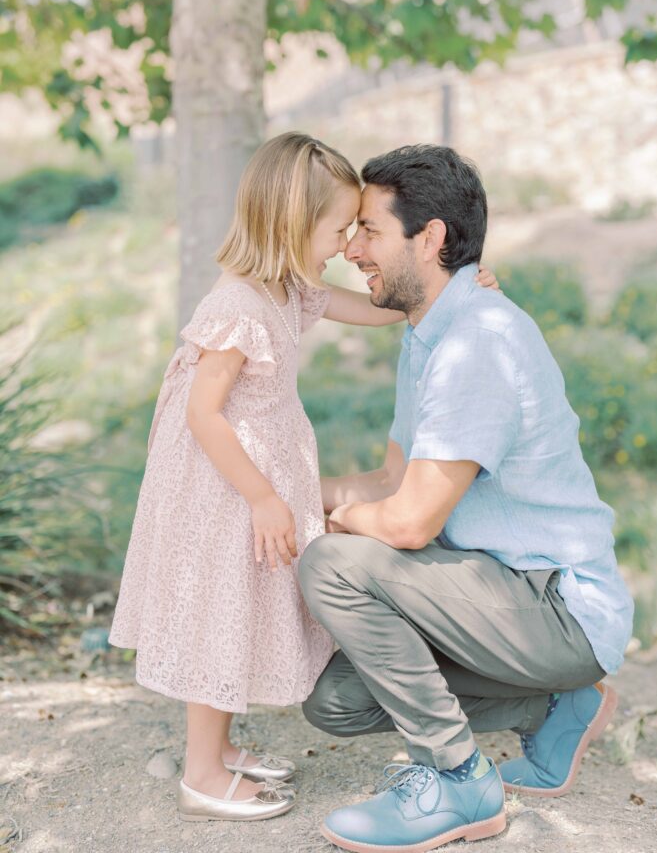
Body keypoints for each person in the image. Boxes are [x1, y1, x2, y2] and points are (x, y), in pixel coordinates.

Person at [109, 130, 500, 825]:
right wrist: (262, 497)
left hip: (245, 479)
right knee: (217, 621)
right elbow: (203, 414)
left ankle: (219, 748)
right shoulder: (237, 305)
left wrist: (455, 285)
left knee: (237, 612)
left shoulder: (286, 291)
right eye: (336, 228)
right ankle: (200, 775)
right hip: (223, 488)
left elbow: (380, 309)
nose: (345, 243)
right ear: (291, 224)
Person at [298, 144, 634, 853]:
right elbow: (393, 484)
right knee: (336, 703)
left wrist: (340, 524)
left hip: (554, 605)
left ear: (430, 239)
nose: (351, 249)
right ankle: (553, 705)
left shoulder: (475, 342)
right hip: (499, 598)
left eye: (369, 231)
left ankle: (457, 781)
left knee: (332, 565)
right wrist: (278, 493)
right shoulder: (428, 337)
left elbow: (409, 521)